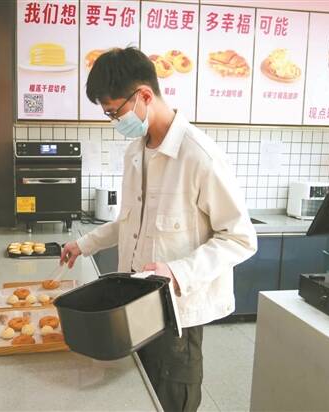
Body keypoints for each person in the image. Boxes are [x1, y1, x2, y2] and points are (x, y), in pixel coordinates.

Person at [60, 47, 257, 412]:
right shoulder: (136, 152)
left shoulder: (200, 156)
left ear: (144, 96)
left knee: (172, 399)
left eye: (114, 112)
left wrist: (177, 271)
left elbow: (240, 238)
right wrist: (83, 244)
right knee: (137, 396)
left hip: (175, 315)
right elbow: (130, 222)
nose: (114, 121)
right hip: (132, 307)